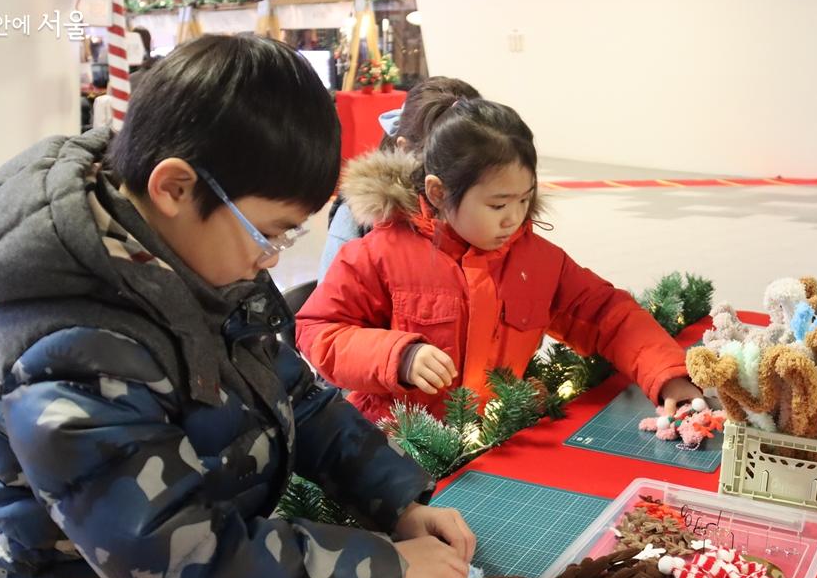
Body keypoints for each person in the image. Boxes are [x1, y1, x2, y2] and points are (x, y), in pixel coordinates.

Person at [0, 35, 475, 578]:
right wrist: (383, 569)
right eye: (269, 232)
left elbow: (296, 397)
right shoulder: (67, 346)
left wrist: (399, 501)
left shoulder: (202, 256)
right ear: (174, 187)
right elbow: (170, 559)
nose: (270, 257)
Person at [296, 98, 702, 423]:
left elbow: (606, 313)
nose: (514, 218)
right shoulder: (379, 254)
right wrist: (396, 356)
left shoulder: (536, 260)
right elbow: (319, 331)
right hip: (397, 447)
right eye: (497, 204)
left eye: (525, 200)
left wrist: (667, 376)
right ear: (438, 193)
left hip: (494, 436)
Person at [318, 76, 481, 282]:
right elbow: (332, 300)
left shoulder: (498, 203)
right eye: (450, 155)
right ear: (405, 147)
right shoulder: (361, 215)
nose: (462, 170)